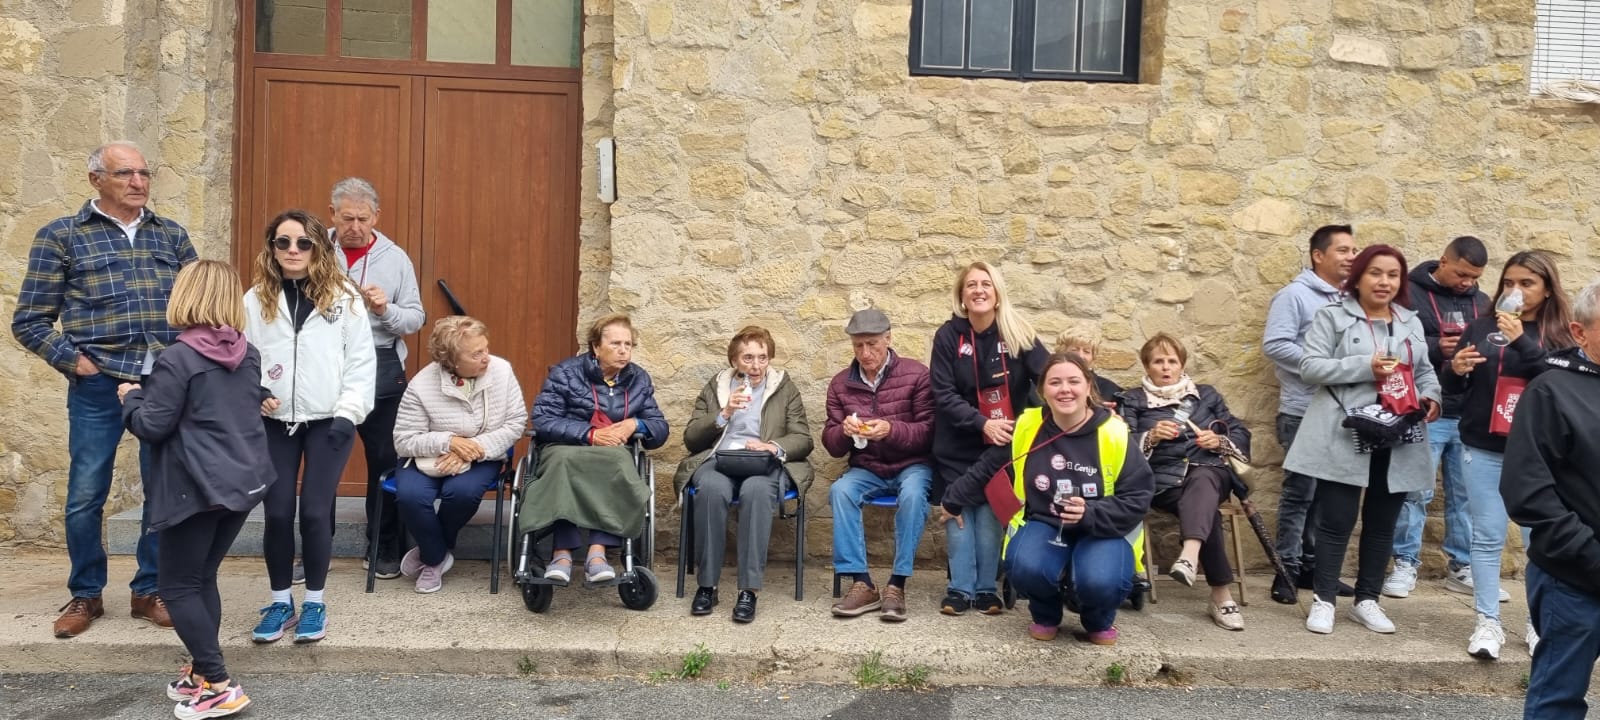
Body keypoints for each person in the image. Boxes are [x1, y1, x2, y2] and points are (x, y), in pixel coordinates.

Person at [12, 140, 195, 637]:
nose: (138, 183)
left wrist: (187, 366)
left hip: (162, 382)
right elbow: (29, 321)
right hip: (98, 382)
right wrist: (77, 363)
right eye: (125, 174)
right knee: (85, 493)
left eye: (144, 173)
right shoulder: (62, 237)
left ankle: (149, 590)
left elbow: (197, 310)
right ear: (96, 179)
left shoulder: (172, 237)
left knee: (163, 490)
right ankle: (85, 594)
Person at [118, 260, 274, 719]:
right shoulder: (247, 353)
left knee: (178, 584)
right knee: (202, 577)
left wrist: (132, 400)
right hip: (245, 483)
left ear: (185, 297)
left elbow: (153, 425)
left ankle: (219, 684)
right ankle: (203, 674)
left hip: (196, 488)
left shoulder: (178, 358)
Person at [940, 353, 1154, 645]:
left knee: (1101, 580)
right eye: (1055, 382)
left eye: (1073, 381)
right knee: (1025, 565)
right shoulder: (1027, 427)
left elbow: (1139, 494)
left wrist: (1090, 512)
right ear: (1043, 391)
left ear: (1089, 386)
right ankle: (1046, 614)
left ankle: (1097, 620)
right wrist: (952, 502)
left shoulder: (1114, 431)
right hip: (1045, 521)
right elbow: (989, 467)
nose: (1064, 389)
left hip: (1104, 527)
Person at [1285, 245, 1442, 635]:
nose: (1384, 282)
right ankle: (1323, 600)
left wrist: (1432, 397)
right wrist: (1364, 366)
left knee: (1382, 521)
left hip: (1399, 431)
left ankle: (1367, 600)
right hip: (1347, 430)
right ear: (1358, 277)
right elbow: (1309, 367)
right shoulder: (1333, 316)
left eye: (1392, 275)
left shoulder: (1409, 321)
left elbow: (1425, 372)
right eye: (1375, 273)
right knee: (1336, 519)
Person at [244, 209, 375, 644]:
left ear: (319, 247)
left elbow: (360, 362)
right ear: (272, 248)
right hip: (274, 421)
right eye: (283, 242)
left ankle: (315, 602)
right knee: (278, 512)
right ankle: (281, 601)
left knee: (316, 513)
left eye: (303, 242)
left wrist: (348, 413)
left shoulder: (345, 298)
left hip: (329, 423)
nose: (293, 251)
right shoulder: (254, 298)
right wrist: (255, 390)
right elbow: (241, 356)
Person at [1443, 251, 1573, 659]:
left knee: (1540, 542)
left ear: (1548, 288)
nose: (1515, 291)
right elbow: (1455, 389)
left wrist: (1521, 341)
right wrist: (1456, 369)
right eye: (1510, 283)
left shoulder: (1561, 335)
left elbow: (1557, 381)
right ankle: (1487, 624)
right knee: (1486, 538)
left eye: (1527, 284)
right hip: (1483, 446)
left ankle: (1536, 625)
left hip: (1540, 454)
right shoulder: (1481, 326)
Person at [1502, 278, 1600, 720]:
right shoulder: (1550, 390)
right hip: (1573, 578)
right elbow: (1528, 493)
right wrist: (1591, 555)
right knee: (1558, 700)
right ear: (1580, 333)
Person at [929, 261, 1049, 616]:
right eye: (971, 286)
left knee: (988, 513)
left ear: (997, 294)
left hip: (1003, 444)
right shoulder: (948, 336)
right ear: (962, 296)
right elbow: (943, 393)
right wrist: (982, 423)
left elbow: (1049, 376)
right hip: (959, 440)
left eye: (986, 284)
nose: (979, 290)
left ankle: (985, 590)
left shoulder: (1019, 332)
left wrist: (1086, 400)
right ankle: (958, 589)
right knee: (958, 508)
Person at [674, 326, 814, 623]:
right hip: (720, 458)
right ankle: (707, 586)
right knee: (711, 489)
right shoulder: (717, 386)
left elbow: (803, 438)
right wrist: (723, 414)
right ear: (735, 361)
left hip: (763, 463)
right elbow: (691, 439)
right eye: (748, 358)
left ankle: (748, 590)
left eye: (762, 357)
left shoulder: (784, 387)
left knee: (756, 492)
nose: (756, 365)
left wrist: (772, 446)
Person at [1118, 333, 1252, 631]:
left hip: (1211, 472)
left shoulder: (1207, 395)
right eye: (1158, 362)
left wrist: (1218, 440)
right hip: (1165, 483)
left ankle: (1189, 556)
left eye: (1172, 361)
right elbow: (1119, 446)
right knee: (1206, 510)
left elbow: (1240, 432)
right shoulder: (1132, 400)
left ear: (1182, 365)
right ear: (1146, 366)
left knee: (1203, 477)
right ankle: (1220, 595)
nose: (1165, 368)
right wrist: (1149, 437)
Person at [526, 313, 668, 584]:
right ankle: (562, 554)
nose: (623, 350)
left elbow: (659, 428)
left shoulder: (638, 379)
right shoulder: (566, 373)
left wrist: (633, 423)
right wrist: (589, 434)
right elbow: (543, 419)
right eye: (615, 344)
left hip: (612, 452)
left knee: (616, 462)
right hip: (566, 447)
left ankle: (597, 553)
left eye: (628, 344)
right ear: (595, 347)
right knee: (564, 464)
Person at [1383, 235, 1488, 601]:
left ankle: (1461, 566)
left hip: (1471, 413)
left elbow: (1494, 343)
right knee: (1415, 491)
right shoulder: (1408, 292)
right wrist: (1434, 347)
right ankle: (1405, 563)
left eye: (1474, 277)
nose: (1467, 283)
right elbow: (1390, 339)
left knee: (1466, 495)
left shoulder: (1483, 302)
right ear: (1443, 261)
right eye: (1461, 274)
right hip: (1426, 409)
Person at [330, 177, 425, 580]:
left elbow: (416, 318)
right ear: (332, 214)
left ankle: (384, 545)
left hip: (380, 365)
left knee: (385, 460)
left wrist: (385, 309)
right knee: (321, 458)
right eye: (347, 218)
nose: (355, 226)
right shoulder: (312, 250)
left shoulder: (395, 258)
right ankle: (313, 548)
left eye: (363, 219)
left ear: (376, 217)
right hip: (325, 365)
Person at [392, 316, 527, 593]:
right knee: (410, 496)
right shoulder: (421, 384)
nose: (486, 357)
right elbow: (403, 439)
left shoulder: (501, 371)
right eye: (476, 353)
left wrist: (471, 449)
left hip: (484, 454)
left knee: (462, 492)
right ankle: (437, 555)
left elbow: (515, 423)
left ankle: (431, 557)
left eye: (486, 348)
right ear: (451, 360)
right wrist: (449, 442)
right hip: (428, 457)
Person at [1262, 224, 1358, 604]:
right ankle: (1286, 570)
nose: (1352, 256)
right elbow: (1276, 344)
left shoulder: (1354, 299)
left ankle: (1317, 572)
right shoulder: (1295, 295)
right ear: (1319, 255)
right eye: (1344, 250)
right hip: (1302, 410)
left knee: (1328, 498)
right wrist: (1326, 365)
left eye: (1355, 250)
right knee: (1299, 495)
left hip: (1342, 412)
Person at [823, 308, 934, 622]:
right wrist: (843, 432)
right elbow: (830, 444)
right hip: (868, 466)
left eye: (872, 344)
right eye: (858, 346)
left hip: (912, 464)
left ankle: (896, 584)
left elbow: (930, 432)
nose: (865, 353)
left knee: (913, 495)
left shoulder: (916, 374)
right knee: (840, 490)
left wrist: (891, 429)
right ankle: (862, 582)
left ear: (888, 338)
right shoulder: (841, 383)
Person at [1054, 329, 1123, 409]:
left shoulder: (1110, 389)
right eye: (1074, 350)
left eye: (1086, 351)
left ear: (1093, 357)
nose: (1080, 356)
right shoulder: (1050, 383)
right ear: (1062, 353)